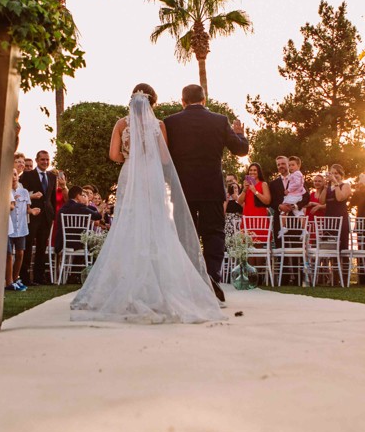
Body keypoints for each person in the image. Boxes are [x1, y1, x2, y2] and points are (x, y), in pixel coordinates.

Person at [71, 85, 224, 323]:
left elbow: (113, 155)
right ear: (153, 101)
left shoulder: (122, 124)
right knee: (156, 225)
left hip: (130, 175)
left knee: (128, 225)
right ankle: (160, 286)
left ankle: (126, 285)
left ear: (132, 99)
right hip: (151, 177)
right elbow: (164, 158)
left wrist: (129, 158)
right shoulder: (159, 125)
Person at [164, 84, 250, 303]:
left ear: (182, 101)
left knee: (185, 235)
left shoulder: (171, 122)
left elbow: (164, 157)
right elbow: (241, 150)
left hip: (182, 189)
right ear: (204, 100)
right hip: (212, 187)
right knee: (214, 233)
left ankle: (190, 280)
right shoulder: (220, 121)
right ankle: (211, 275)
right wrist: (241, 135)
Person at [20, 149, 57, 284]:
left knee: (42, 247)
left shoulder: (52, 176)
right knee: (28, 245)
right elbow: (23, 195)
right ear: (37, 160)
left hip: (46, 216)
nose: (45, 162)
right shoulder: (28, 175)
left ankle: (39, 277)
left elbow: (52, 198)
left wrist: (53, 215)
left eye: (47, 159)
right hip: (32, 215)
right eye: (42, 159)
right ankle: (24, 277)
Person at [7, 168, 38, 292]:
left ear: (18, 177)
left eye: (15, 175)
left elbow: (27, 208)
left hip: (21, 227)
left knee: (20, 253)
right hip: (10, 226)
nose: (14, 177)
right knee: (9, 254)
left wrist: (32, 211)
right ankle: (8, 280)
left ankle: (15, 279)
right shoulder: (6, 191)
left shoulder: (24, 192)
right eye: (11, 175)